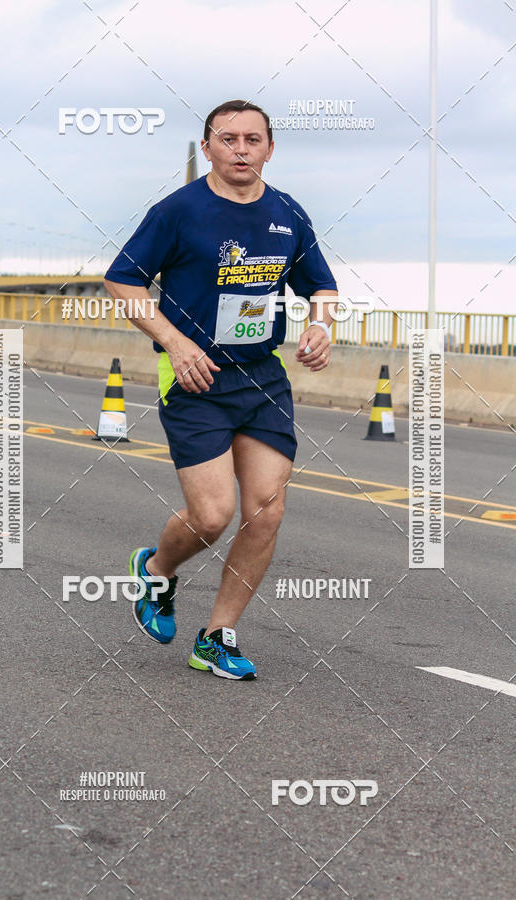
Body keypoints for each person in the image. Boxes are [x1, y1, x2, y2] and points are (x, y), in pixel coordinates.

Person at [104, 99, 338, 680]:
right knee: (212, 516)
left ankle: (216, 637)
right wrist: (175, 343)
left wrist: (321, 326)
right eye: (227, 139)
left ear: (270, 149)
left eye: (252, 139)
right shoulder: (178, 211)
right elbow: (122, 280)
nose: (240, 149)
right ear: (207, 147)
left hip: (261, 377)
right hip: (195, 376)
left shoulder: (287, 212)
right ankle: (156, 571)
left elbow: (321, 287)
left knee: (266, 511)